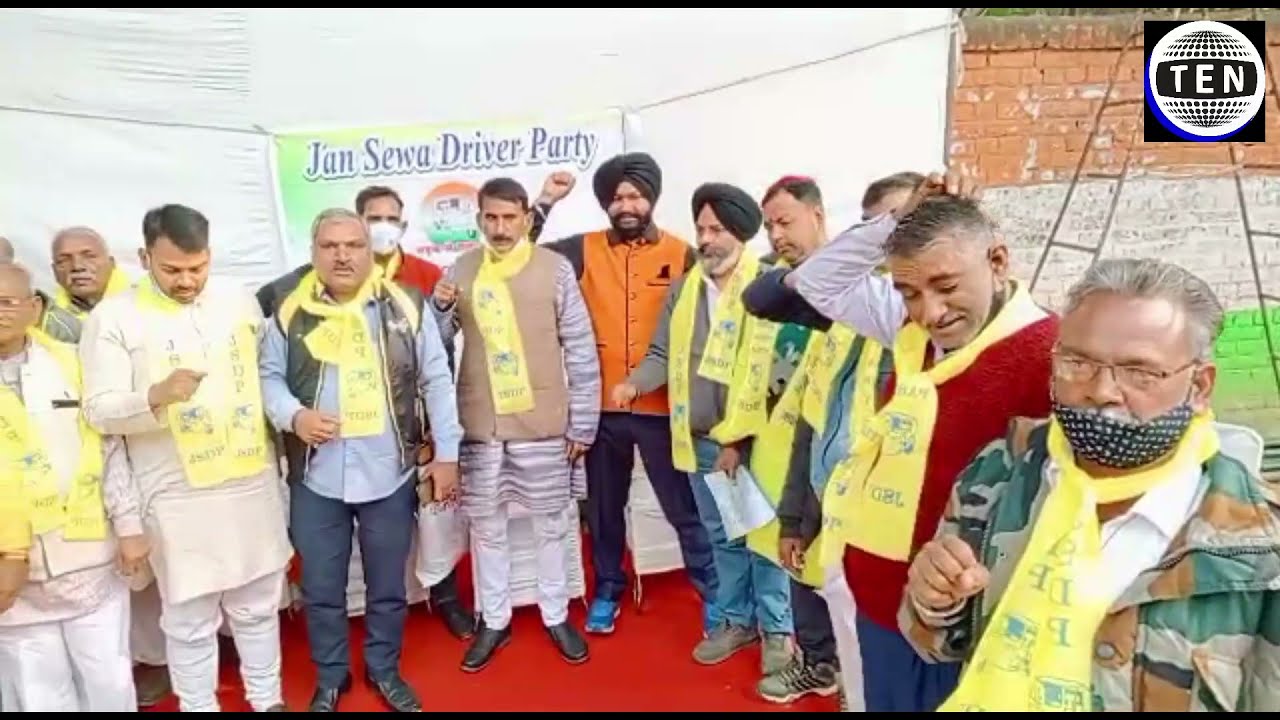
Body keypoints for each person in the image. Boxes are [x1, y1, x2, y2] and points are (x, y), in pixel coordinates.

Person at [903, 258, 1280, 712]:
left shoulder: (1258, 547)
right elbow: (935, 642)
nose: (1101, 390)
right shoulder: (1002, 472)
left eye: (1140, 372)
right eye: (1077, 362)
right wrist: (934, 601)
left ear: (1199, 386)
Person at [750, 173, 1059, 712]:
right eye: (909, 292)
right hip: (869, 589)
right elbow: (815, 282)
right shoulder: (909, 329)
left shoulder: (1048, 354)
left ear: (998, 261)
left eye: (946, 286)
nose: (930, 311)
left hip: (954, 617)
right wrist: (895, 221)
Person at [79, 204, 292, 713]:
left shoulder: (238, 301)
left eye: (197, 269)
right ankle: (199, 706)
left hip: (249, 481)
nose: (186, 281)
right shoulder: (114, 318)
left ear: (210, 257)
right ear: (144, 257)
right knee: (190, 619)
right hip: (175, 493)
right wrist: (153, 396)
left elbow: (265, 379)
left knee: (257, 608)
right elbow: (98, 413)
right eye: (172, 270)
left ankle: (269, 700)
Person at [259, 208, 463, 712]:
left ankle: (383, 668)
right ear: (313, 253)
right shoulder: (288, 309)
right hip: (316, 474)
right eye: (330, 246)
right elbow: (267, 377)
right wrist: (294, 416)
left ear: (369, 250)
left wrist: (448, 455)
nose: (342, 255)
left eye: (353, 245)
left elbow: (436, 380)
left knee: (387, 582)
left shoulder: (405, 305)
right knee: (322, 585)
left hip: (387, 469)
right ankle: (331, 676)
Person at [746, 172, 919, 711]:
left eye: (906, 228)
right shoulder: (849, 308)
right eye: (883, 230)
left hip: (893, 515)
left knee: (889, 643)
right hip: (829, 492)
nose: (894, 245)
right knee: (840, 614)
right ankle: (837, 678)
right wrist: (798, 517)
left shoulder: (918, 324)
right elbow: (815, 419)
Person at [612, 182, 796, 677]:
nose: (706, 239)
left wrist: (739, 437)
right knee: (723, 538)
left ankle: (779, 630)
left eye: (716, 229)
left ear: (740, 233)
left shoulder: (770, 284)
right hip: (699, 440)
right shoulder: (686, 288)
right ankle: (737, 622)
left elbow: (784, 369)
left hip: (756, 442)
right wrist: (633, 384)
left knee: (763, 536)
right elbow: (659, 355)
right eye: (700, 229)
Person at [534, 152, 718, 635]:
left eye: (634, 194)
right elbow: (520, 257)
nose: (626, 204)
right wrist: (545, 202)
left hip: (663, 409)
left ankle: (715, 591)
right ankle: (608, 589)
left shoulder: (682, 253)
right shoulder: (583, 249)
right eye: (616, 197)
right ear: (605, 204)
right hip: (599, 409)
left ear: (651, 197)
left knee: (683, 507)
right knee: (603, 508)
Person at [431, 177, 600, 671]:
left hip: (544, 423)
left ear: (528, 218)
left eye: (510, 217)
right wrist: (440, 309)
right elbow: (435, 345)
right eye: (491, 218)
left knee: (552, 525)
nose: (501, 227)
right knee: (487, 528)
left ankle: (555, 612)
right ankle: (495, 619)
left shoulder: (555, 269)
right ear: (479, 219)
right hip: (482, 426)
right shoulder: (460, 269)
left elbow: (582, 349)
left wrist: (583, 424)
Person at [0, 263, 146, 712]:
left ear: (35, 307)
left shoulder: (72, 366)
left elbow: (108, 448)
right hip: (12, 578)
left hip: (88, 557)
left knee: (109, 679)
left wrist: (129, 526)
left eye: (6, 302)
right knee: (40, 692)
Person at [50, 226, 131, 320]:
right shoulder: (45, 320)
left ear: (111, 263)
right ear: (54, 271)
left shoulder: (142, 304)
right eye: (64, 260)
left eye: (89, 256)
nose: (77, 266)